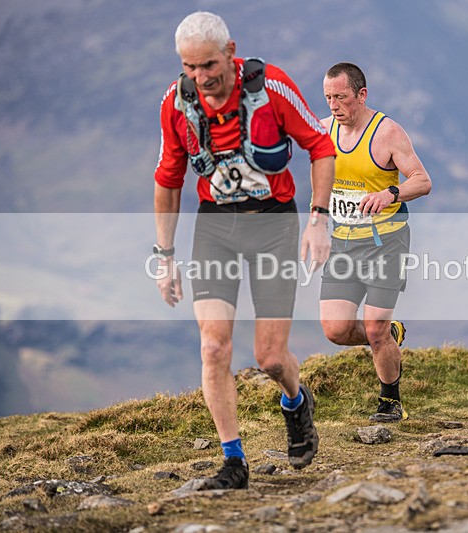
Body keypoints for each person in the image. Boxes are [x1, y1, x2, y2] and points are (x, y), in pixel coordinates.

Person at [153, 12, 335, 489]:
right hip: (216, 229)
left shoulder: (271, 88)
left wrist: (318, 219)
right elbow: (169, 180)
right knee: (214, 346)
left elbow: (320, 147)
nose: (201, 77)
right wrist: (165, 255)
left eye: (209, 64)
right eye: (190, 67)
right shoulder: (176, 103)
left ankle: (296, 401)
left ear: (231, 51)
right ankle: (233, 462)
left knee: (271, 358)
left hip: (274, 224)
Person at [318, 63, 432, 422]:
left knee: (375, 327)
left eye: (341, 97)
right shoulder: (322, 131)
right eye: (328, 98)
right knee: (335, 330)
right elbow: (317, 179)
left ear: (361, 95)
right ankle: (390, 335)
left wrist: (391, 193)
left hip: (386, 242)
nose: (334, 105)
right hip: (343, 243)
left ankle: (390, 402)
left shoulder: (388, 133)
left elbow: (423, 180)